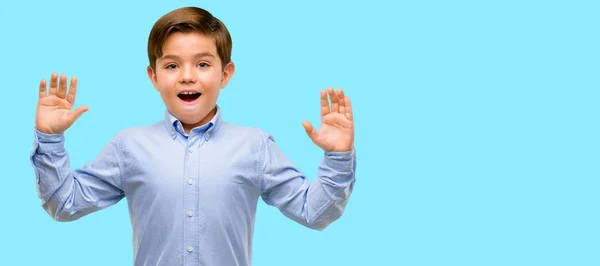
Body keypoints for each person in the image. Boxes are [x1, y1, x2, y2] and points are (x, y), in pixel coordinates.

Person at [30, 6, 356, 266]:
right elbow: (64, 204)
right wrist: (50, 139)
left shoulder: (255, 147)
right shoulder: (128, 147)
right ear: (153, 76)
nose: (187, 76)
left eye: (202, 64)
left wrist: (338, 157)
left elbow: (314, 212)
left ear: (225, 74)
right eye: (172, 66)